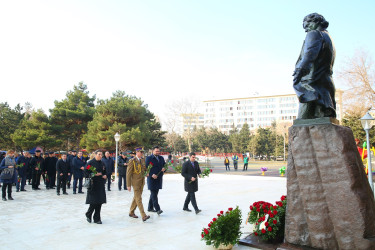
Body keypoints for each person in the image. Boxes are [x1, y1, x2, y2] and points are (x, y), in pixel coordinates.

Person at [293, 13, 336, 119]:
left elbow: (310, 53)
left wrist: (300, 69)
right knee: (323, 116)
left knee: (303, 119)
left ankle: (302, 133)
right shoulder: (328, 37)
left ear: (316, 22)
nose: (305, 29)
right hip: (325, 82)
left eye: (307, 25)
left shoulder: (314, 34)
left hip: (311, 81)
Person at [126, 148, 150, 222]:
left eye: (142, 152)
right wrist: (128, 185)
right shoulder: (132, 161)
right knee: (139, 199)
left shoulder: (142, 160)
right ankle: (143, 215)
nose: (142, 153)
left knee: (136, 198)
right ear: (137, 152)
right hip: (135, 183)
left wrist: (147, 173)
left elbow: (144, 169)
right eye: (140, 152)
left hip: (142, 182)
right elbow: (128, 174)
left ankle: (131, 212)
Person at [85, 150, 107, 224]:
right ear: (95, 154)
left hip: (100, 184)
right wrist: (94, 174)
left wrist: (105, 175)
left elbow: (105, 172)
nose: (100, 156)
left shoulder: (102, 163)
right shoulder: (90, 163)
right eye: (99, 154)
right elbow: (86, 172)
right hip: (93, 184)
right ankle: (88, 214)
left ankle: (97, 218)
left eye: (101, 155)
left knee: (99, 202)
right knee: (94, 202)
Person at [146, 146, 166, 215]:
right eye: (156, 151)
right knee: (154, 194)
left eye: (158, 151)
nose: (157, 152)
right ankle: (158, 209)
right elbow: (146, 169)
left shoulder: (161, 158)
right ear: (152, 151)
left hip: (159, 178)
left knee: (155, 193)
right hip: (152, 179)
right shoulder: (149, 158)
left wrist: (164, 169)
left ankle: (150, 208)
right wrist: (151, 174)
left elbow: (164, 165)